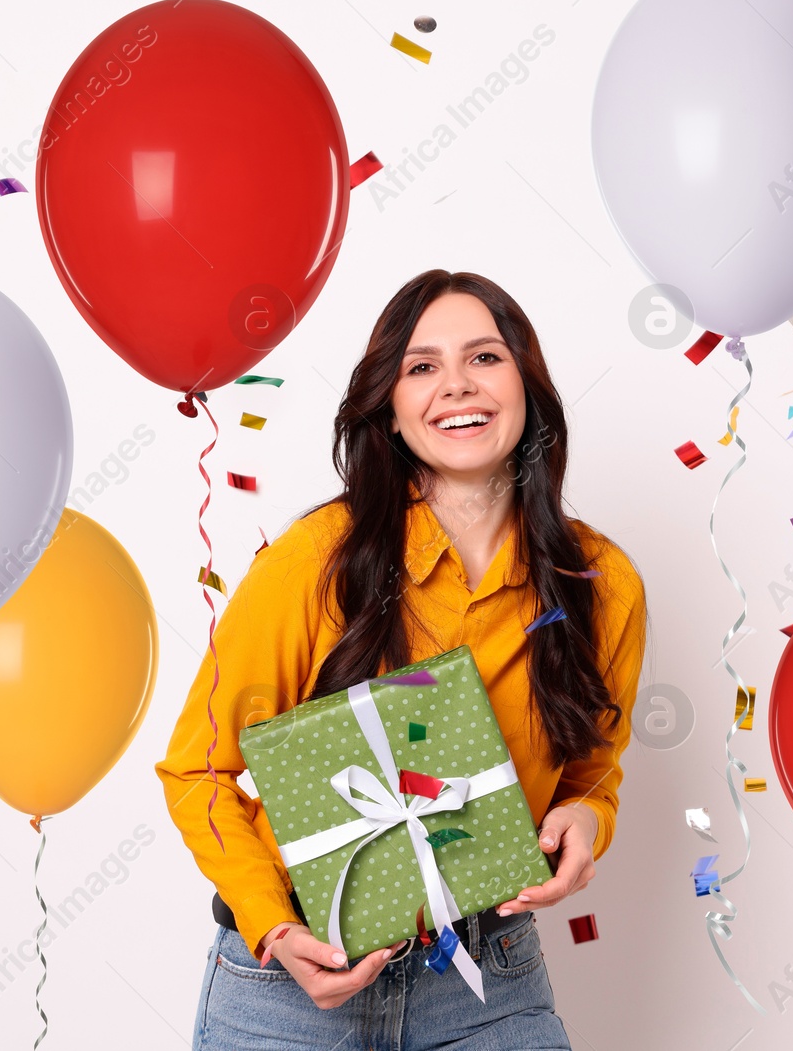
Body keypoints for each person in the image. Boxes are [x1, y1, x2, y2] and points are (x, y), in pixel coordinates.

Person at [156, 269, 648, 1050]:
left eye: (485, 357)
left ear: (527, 385)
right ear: (388, 407)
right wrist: (274, 928)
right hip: (291, 989)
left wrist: (588, 819)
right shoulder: (314, 562)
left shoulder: (603, 586)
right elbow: (196, 771)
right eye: (422, 367)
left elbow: (593, 770)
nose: (456, 385)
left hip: (488, 978)